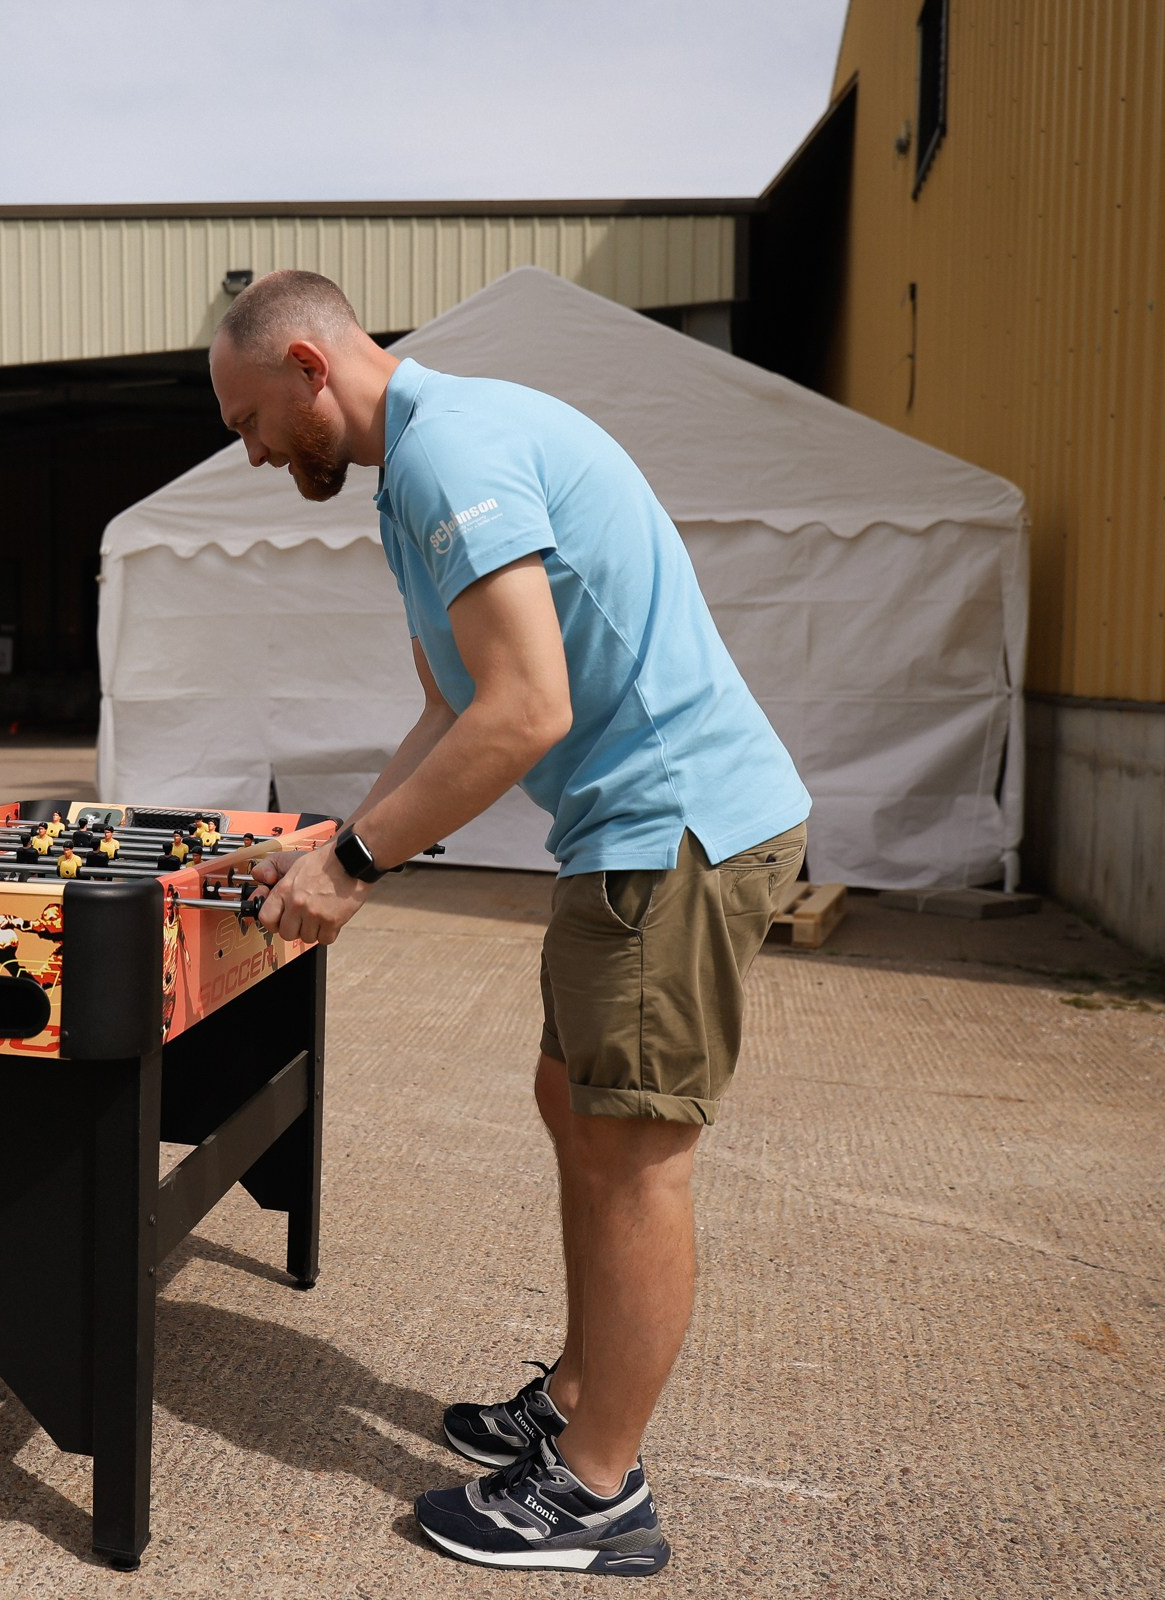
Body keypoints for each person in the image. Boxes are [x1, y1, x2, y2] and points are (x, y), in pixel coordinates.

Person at [211, 271, 810, 1579]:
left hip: (674, 831)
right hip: (620, 837)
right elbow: (452, 706)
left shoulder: (455, 454)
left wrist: (356, 866)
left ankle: (598, 1492)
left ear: (310, 367)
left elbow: (527, 707)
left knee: (634, 1154)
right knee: (569, 1102)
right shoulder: (411, 476)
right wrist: (331, 842)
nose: (249, 451)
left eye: (249, 420)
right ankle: (579, 1399)